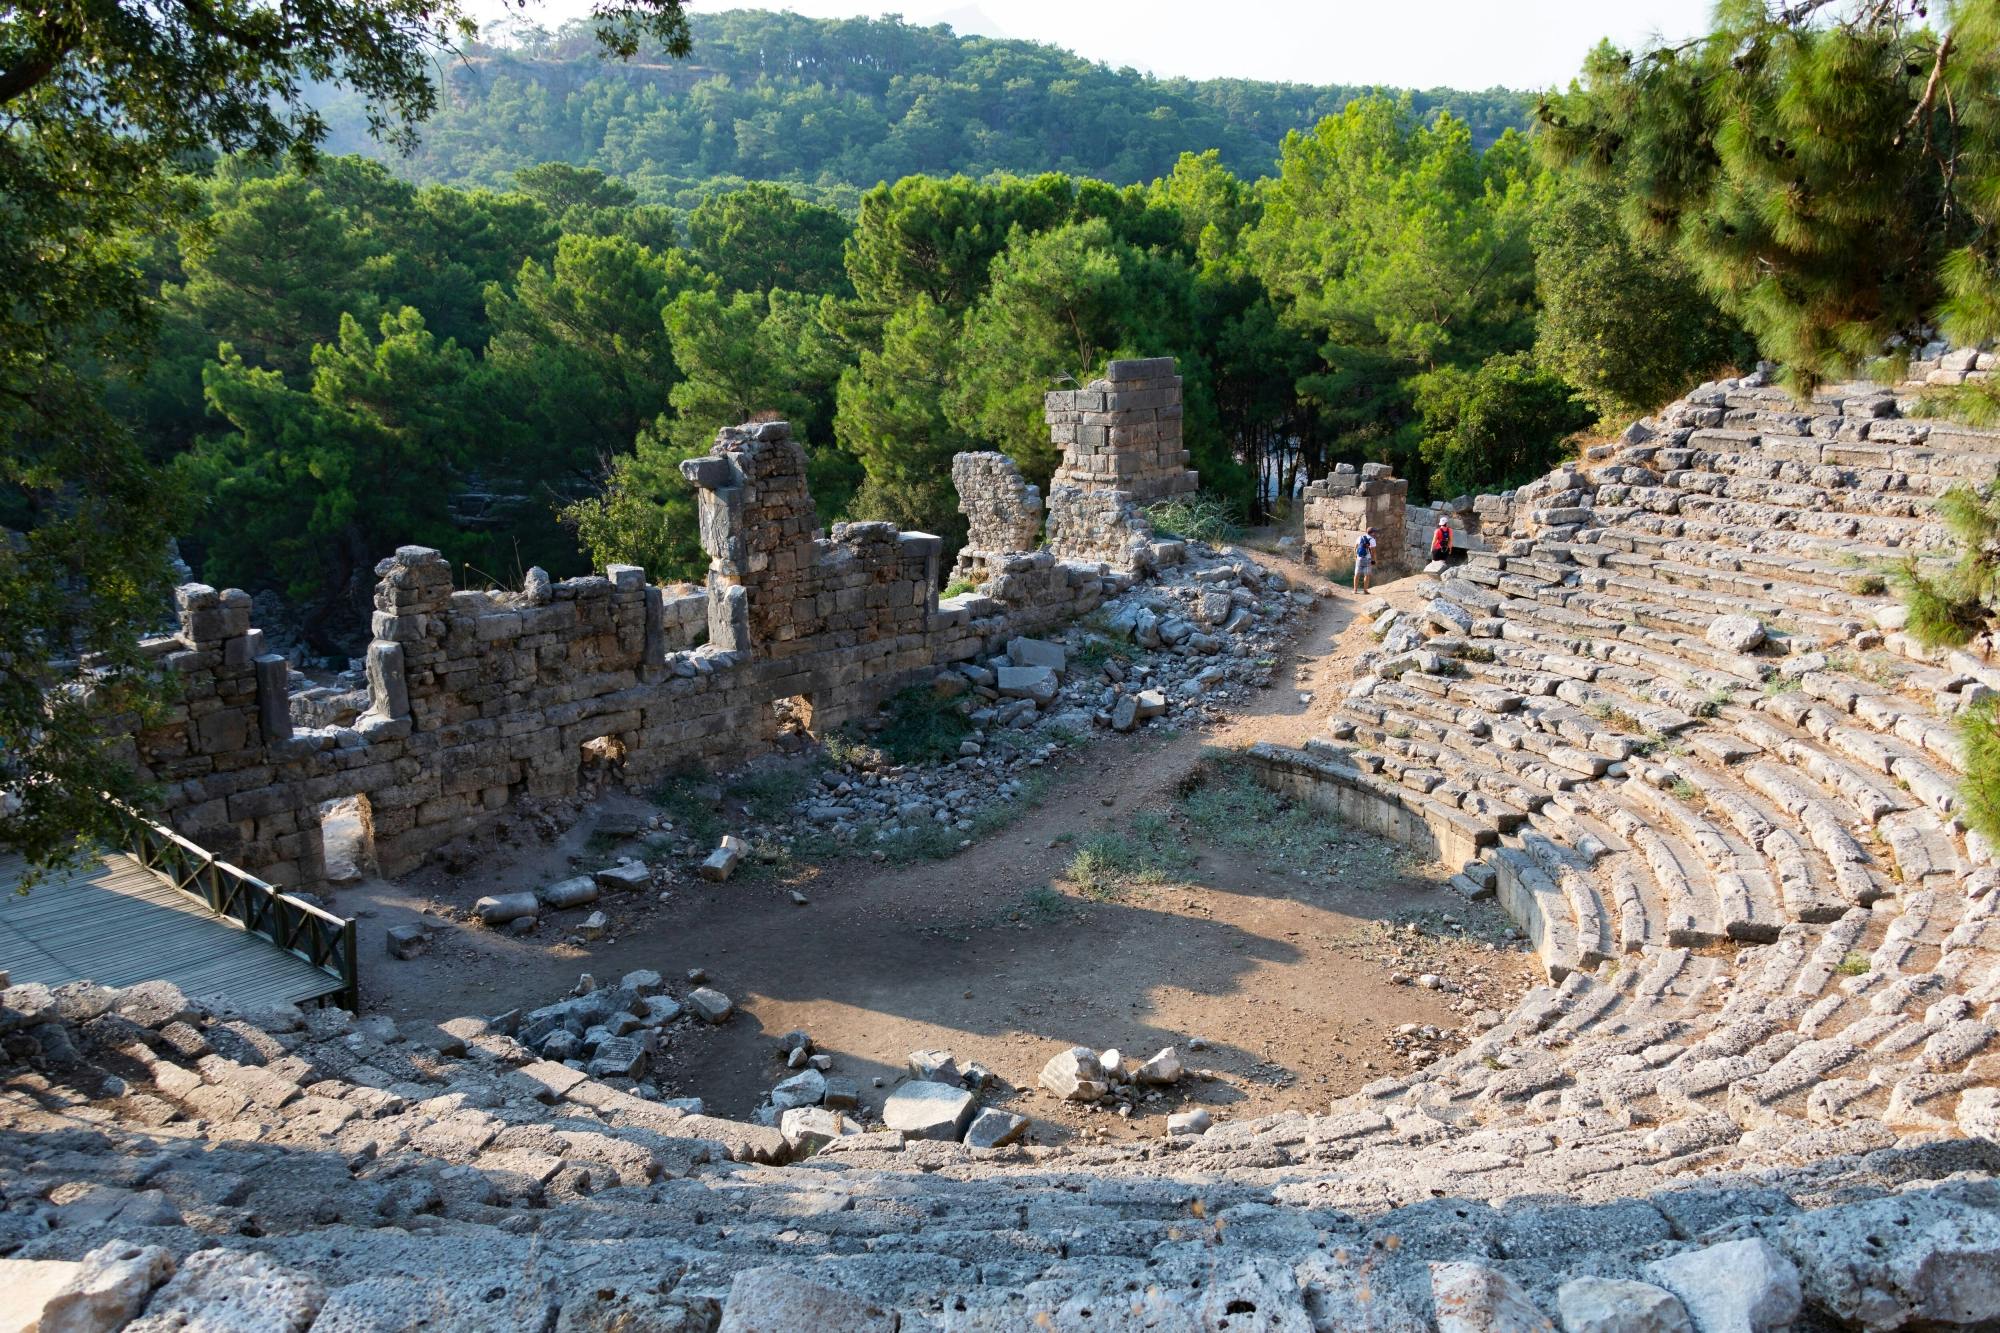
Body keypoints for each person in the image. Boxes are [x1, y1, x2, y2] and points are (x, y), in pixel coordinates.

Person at [1353, 526, 1378, 593]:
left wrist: (1356, 557)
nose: (1375, 533)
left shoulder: (1360, 537)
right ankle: (1365, 590)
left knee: (1357, 574)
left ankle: (1355, 590)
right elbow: (1373, 552)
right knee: (1366, 575)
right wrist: (1374, 560)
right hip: (1367, 559)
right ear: (1372, 533)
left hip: (1359, 558)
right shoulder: (1372, 540)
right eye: (1374, 532)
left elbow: (1355, 548)